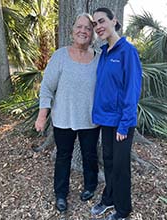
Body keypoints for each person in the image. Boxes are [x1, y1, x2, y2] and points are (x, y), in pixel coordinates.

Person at [35, 13, 100, 212]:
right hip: (63, 119)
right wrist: (42, 115)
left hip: (90, 120)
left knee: (90, 155)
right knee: (63, 156)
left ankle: (90, 186)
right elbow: (47, 88)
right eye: (79, 27)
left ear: (92, 34)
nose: (83, 31)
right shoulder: (60, 56)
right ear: (72, 30)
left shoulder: (99, 58)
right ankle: (61, 194)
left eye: (88, 28)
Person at [90, 7, 142, 220]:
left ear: (114, 21)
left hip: (122, 122)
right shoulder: (103, 53)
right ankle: (109, 198)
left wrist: (125, 123)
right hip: (106, 120)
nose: (98, 27)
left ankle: (123, 209)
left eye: (101, 21)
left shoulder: (127, 51)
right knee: (109, 161)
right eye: (95, 24)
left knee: (120, 167)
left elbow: (132, 89)